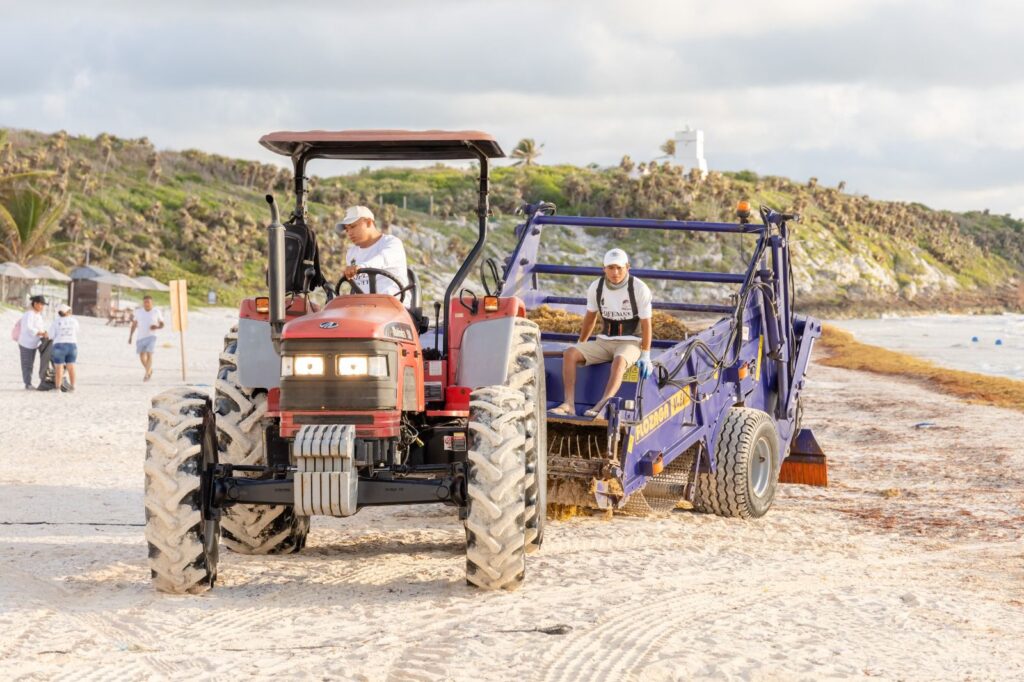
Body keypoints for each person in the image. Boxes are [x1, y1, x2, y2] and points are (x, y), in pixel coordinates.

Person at [550, 248, 654, 418]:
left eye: (619, 267)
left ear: (628, 267)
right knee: (570, 354)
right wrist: (581, 343)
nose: (615, 272)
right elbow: (590, 318)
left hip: (630, 342)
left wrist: (646, 353)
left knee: (620, 360)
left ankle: (603, 403)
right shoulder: (596, 287)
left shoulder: (639, 288)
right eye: (611, 267)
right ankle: (569, 404)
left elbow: (646, 324)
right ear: (603, 268)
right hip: (604, 341)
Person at [337, 205, 408, 297]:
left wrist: (361, 267)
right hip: (364, 306)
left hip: (393, 305)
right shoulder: (351, 253)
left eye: (353, 226)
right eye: (347, 229)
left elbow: (383, 259)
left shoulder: (392, 243)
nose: (349, 233)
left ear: (369, 222)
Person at [129, 295, 164, 382]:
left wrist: (157, 327)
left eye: (148, 302)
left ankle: (146, 375)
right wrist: (130, 336)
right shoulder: (138, 312)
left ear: (152, 303)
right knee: (141, 356)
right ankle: (149, 370)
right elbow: (134, 324)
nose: (146, 304)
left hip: (152, 336)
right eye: (145, 302)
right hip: (140, 337)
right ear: (143, 303)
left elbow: (162, 324)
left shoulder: (156, 311)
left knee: (149, 354)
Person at [17, 295, 48, 390]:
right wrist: (41, 333)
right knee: (27, 364)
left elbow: (40, 327)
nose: (42, 306)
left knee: (31, 364)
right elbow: (28, 328)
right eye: (41, 304)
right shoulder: (29, 314)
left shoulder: (38, 315)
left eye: (43, 305)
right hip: (26, 343)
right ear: (35, 303)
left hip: (34, 344)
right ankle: (28, 384)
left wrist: (44, 332)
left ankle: (28, 382)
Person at [49, 303, 80, 393]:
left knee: (59, 367)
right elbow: (77, 331)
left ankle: (58, 388)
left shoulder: (56, 322)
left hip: (59, 345)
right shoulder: (74, 321)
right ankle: (73, 387)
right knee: (71, 366)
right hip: (72, 345)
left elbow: (51, 335)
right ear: (68, 312)